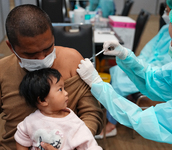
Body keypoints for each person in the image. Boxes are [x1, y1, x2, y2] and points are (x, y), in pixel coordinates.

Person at [77, 0, 172, 149]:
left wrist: (98, 85)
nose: (170, 49)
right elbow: (154, 78)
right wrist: (126, 57)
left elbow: (143, 120)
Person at [0, 4, 103, 150]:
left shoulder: (72, 60)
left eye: (48, 48)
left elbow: (92, 113)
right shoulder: (3, 70)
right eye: (31, 54)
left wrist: (72, 143)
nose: (42, 58)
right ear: (11, 47)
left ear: (53, 36)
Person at [95, 0, 172, 139]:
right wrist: (133, 61)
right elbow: (149, 50)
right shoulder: (166, 29)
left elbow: (147, 121)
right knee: (118, 71)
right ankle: (110, 111)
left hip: (157, 73)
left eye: (167, 10)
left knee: (120, 83)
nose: (165, 14)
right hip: (150, 68)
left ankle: (111, 124)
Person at [14, 68, 102, 150]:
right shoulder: (30, 122)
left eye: (64, 88)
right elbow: (21, 140)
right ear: (43, 100)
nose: (66, 93)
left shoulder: (74, 123)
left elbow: (90, 146)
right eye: (60, 89)